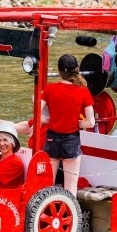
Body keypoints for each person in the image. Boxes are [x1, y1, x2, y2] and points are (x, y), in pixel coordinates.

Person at [40, 54, 95, 196]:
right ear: (77, 69)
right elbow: (91, 122)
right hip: (71, 139)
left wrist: (51, 120)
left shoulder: (49, 89)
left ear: (59, 72)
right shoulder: (83, 91)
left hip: (52, 139)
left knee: (48, 186)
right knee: (70, 187)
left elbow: (37, 114)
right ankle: (72, 216)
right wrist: (76, 122)